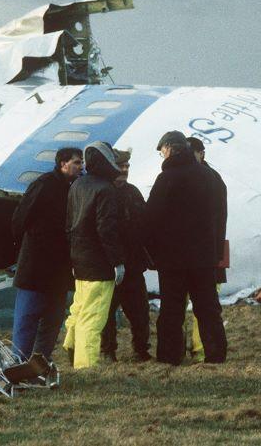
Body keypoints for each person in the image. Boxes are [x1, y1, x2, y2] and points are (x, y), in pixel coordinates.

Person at [145, 131, 227, 365]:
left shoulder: (167, 179)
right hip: (205, 258)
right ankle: (216, 355)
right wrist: (216, 253)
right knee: (208, 308)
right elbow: (221, 218)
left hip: (173, 260)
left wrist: (150, 250)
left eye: (162, 151)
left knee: (172, 310)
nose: (162, 156)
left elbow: (152, 217)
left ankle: (169, 357)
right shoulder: (212, 177)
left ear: (170, 149)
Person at [8, 147, 82, 384]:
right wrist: (31, 245)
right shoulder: (44, 185)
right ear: (63, 163)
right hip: (37, 265)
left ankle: (38, 366)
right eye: (77, 162)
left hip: (58, 268)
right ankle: (17, 367)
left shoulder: (74, 188)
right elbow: (20, 219)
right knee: (27, 319)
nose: (81, 167)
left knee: (52, 320)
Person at [63, 141, 127, 369]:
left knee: (78, 309)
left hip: (80, 261)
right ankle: (85, 366)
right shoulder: (106, 190)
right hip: (99, 265)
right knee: (93, 316)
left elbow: (69, 224)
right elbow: (106, 230)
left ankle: (71, 346)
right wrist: (117, 262)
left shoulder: (77, 185)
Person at [99, 148, 153, 362]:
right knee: (106, 313)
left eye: (127, 166)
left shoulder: (132, 192)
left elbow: (145, 223)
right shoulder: (103, 191)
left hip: (133, 265)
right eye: (120, 166)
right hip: (108, 265)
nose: (124, 170)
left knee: (140, 311)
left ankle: (141, 349)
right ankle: (108, 351)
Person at [186, 137, 229, 363]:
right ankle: (198, 347)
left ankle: (201, 348)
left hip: (206, 254)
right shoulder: (212, 178)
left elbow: (217, 220)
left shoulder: (210, 180)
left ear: (201, 153)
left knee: (205, 305)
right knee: (204, 304)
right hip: (206, 253)